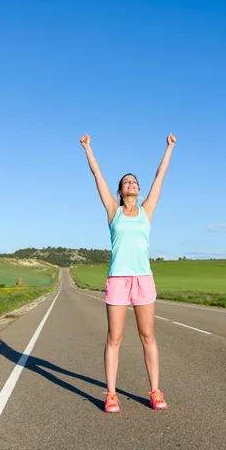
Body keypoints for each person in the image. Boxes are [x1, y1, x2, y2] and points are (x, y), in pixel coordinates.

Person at [79, 132, 176, 412]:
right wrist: (88, 148)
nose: (131, 184)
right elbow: (97, 175)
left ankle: (155, 391)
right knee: (114, 337)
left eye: (134, 181)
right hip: (118, 280)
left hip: (143, 279)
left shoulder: (147, 210)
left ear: (139, 190)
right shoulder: (113, 210)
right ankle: (111, 394)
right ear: (120, 192)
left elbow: (160, 177)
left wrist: (168, 148)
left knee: (148, 336)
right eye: (126, 182)